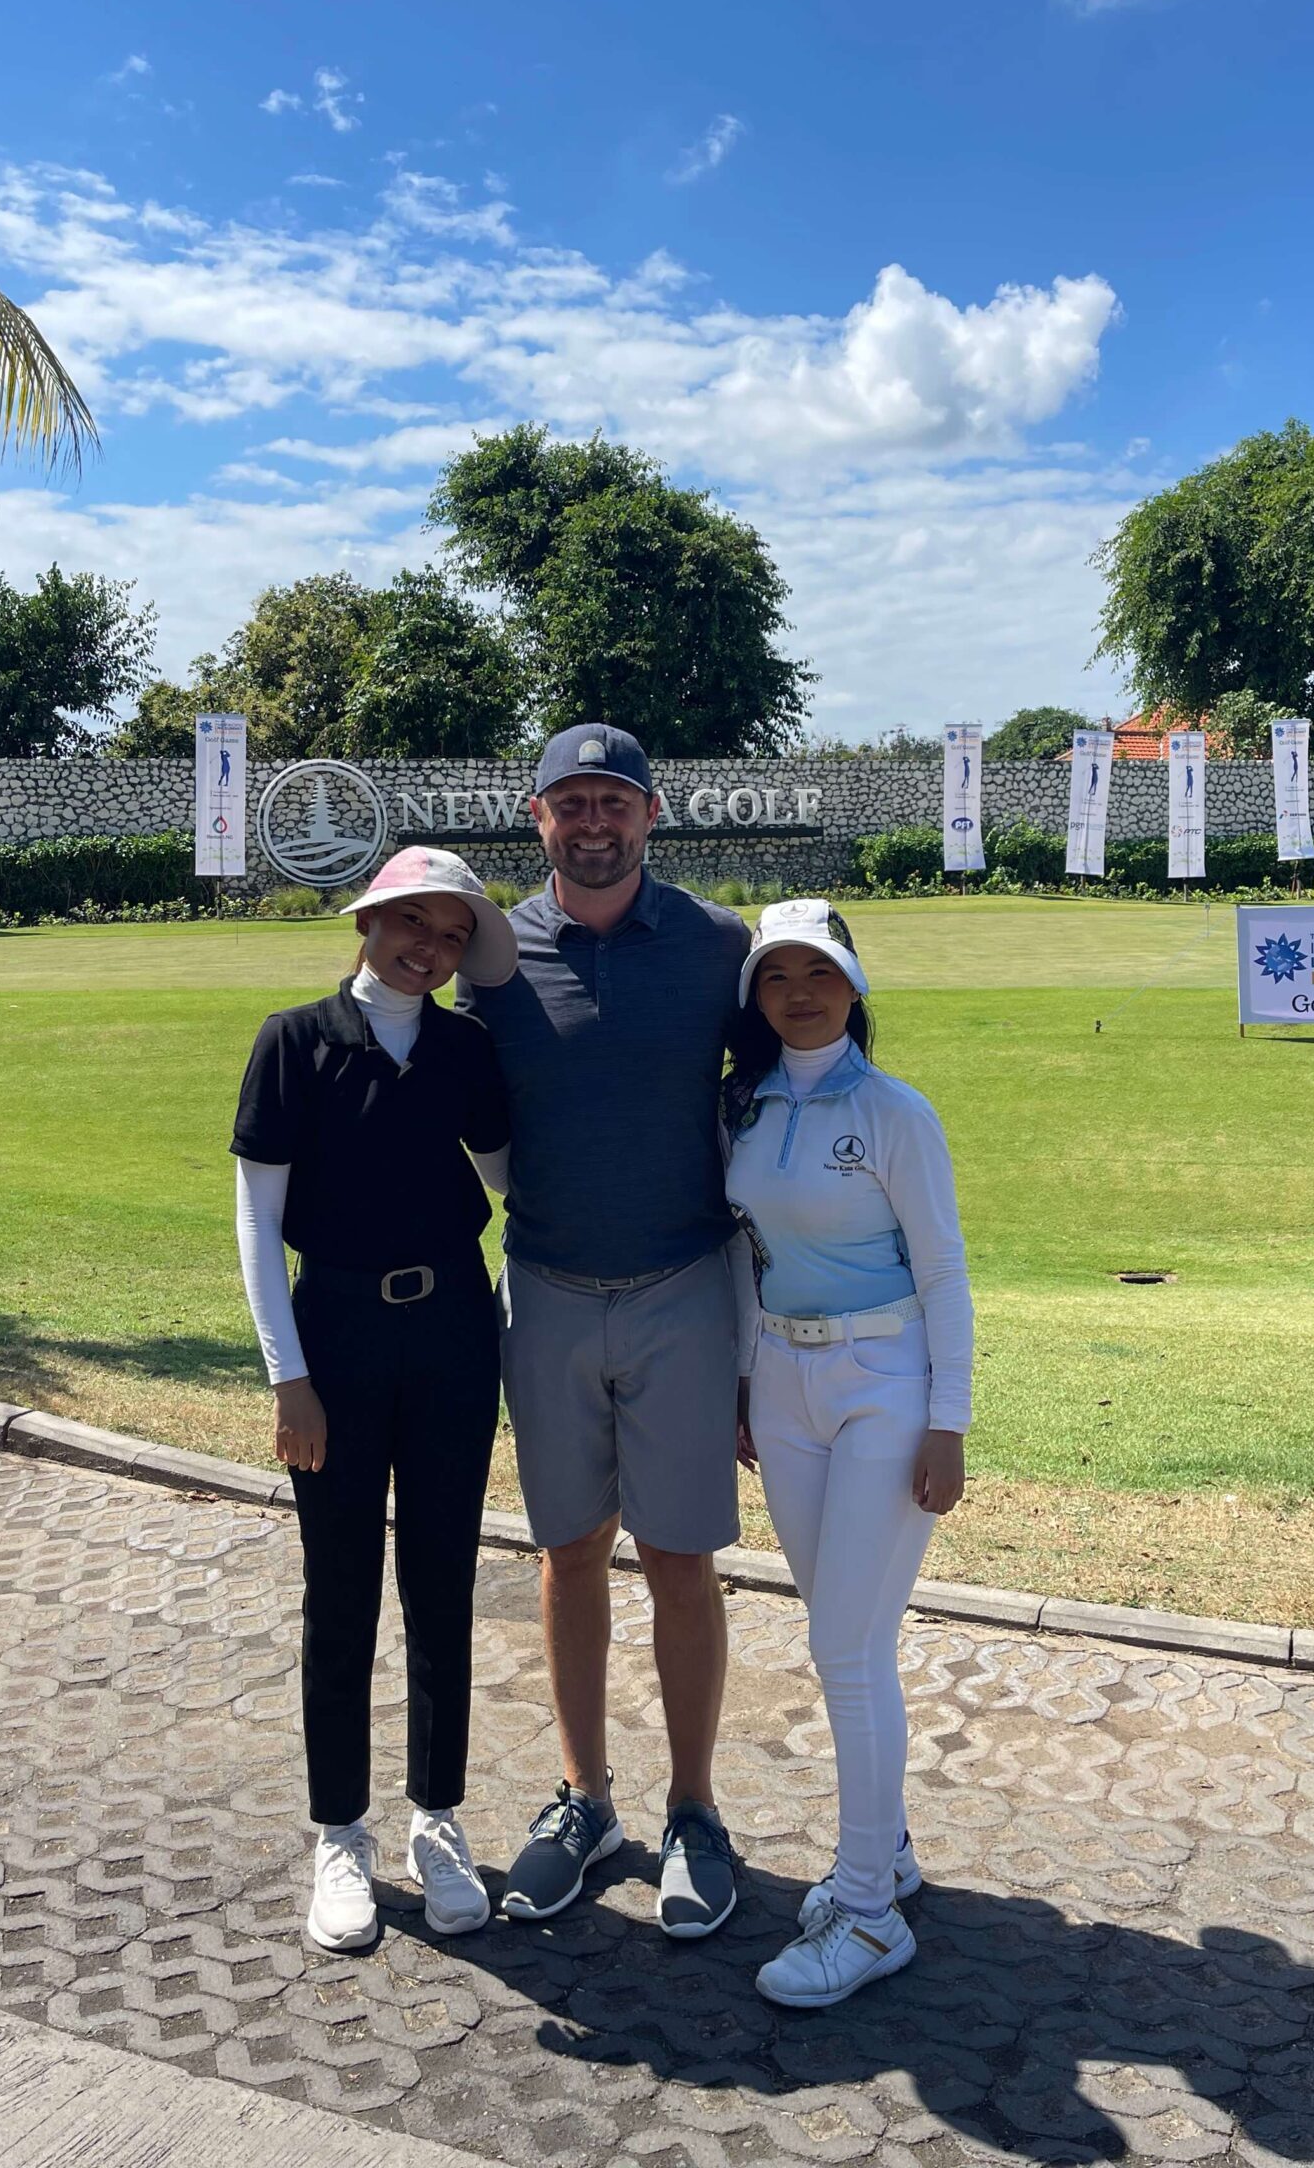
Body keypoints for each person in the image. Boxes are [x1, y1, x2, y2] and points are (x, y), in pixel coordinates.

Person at [460, 722, 753, 1937]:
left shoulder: (718, 946)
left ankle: (694, 1809)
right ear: (536, 816)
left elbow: (769, 1102)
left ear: (651, 812)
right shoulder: (493, 953)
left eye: (613, 802)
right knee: (569, 1550)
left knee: (681, 1559)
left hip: (684, 1282)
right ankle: (586, 1799)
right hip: (545, 1285)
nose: (592, 823)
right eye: (569, 802)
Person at [231, 845, 518, 1952]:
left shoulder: (462, 1048)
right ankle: (339, 1832)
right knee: (341, 1588)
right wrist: (286, 1374)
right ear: (369, 920)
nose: (429, 950)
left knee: (443, 1579)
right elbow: (259, 1220)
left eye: (451, 937)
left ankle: (435, 1820)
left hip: (452, 1328)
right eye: (413, 925)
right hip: (337, 1335)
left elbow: (509, 1183)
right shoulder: (296, 1041)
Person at [723, 898, 973, 2010]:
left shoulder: (894, 1111)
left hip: (886, 1387)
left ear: (855, 986)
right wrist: (742, 1379)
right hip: (784, 1385)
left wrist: (950, 1420)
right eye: (777, 976)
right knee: (844, 1638)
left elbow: (944, 1272)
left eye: (818, 972)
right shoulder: (747, 1105)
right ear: (757, 998)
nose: (800, 993)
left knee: (848, 1647)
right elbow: (748, 1255)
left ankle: (869, 1914)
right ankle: (890, 1852)